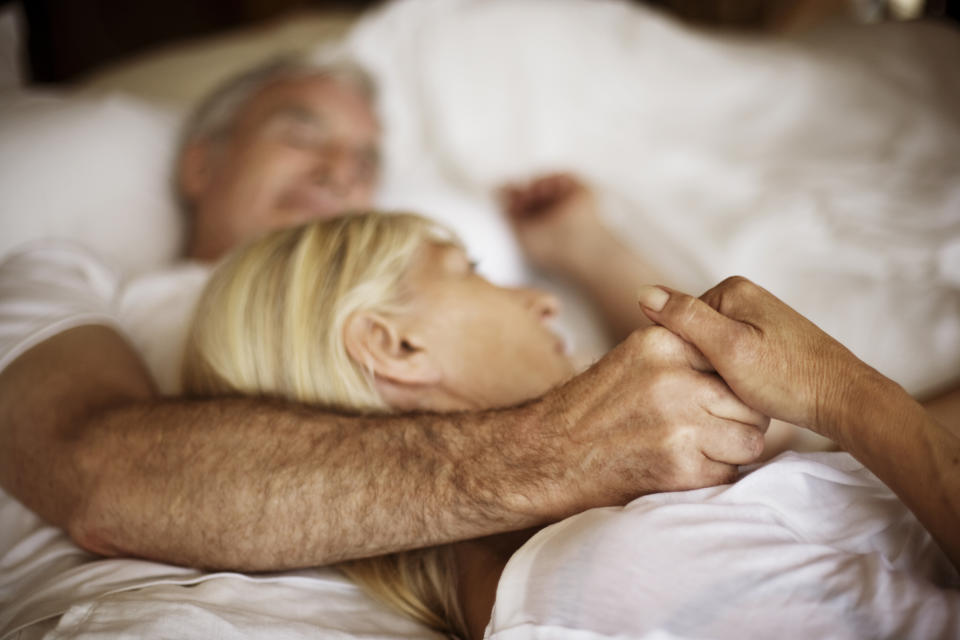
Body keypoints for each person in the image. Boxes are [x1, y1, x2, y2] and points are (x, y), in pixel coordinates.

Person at [0, 59, 766, 634]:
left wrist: (590, 251)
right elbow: (96, 475)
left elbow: (721, 411)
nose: (340, 170)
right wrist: (557, 450)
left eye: (367, 162)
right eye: (301, 137)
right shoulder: (70, 281)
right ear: (203, 162)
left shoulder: (438, 309)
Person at [180, 212, 959, 639]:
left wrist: (589, 246)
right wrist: (844, 391)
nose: (542, 302)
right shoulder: (623, 567)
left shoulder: (613, 540)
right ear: (395, 346)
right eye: (472, 272)